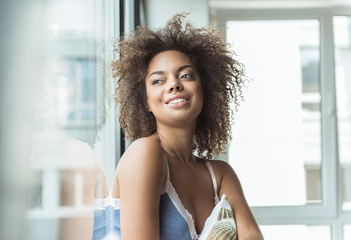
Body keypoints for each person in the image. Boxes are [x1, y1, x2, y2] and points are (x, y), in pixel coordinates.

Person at [109, 13, 264, 240]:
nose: (174, 84)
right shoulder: (145, 153)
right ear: (146, 102)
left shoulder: (220, 175)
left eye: (186, 75)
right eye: (158, 80)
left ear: (205, 89)